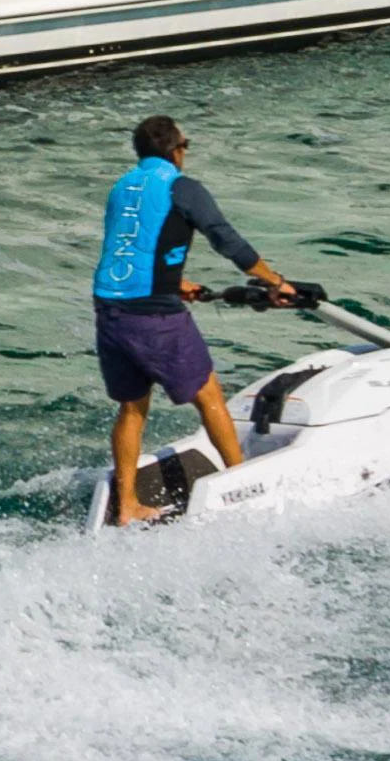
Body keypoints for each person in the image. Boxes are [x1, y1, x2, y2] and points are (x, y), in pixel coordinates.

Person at [91, 113, 301, 525]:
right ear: (175, 151)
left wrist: (175, 280)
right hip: (154, 316)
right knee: (209, 396)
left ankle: (128, 506)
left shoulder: (121, 187)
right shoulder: (181, 186)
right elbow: (225, 239)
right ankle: (242, 485)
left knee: (132, 408)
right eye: (185, 146)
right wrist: (275, 281)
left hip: (109, 310)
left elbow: (129, 245)